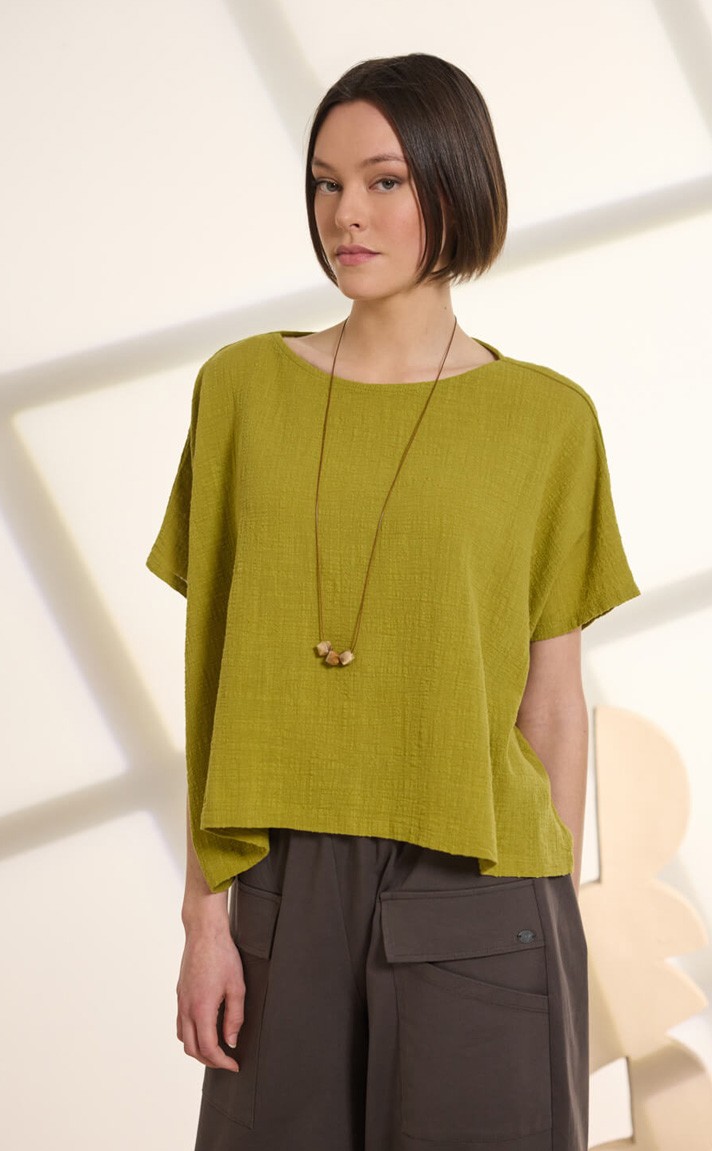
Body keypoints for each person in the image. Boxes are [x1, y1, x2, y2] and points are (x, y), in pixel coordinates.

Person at [147, 53, 641, 1151]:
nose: (345, 214)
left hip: (485, 881)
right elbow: (210, 665)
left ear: (455, 186)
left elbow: (552, 699)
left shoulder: (547, 419)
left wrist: (548, 913)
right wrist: (203, 916)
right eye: (326, 183)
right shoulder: (241, 390)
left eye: (384, 181)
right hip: (284, 882)